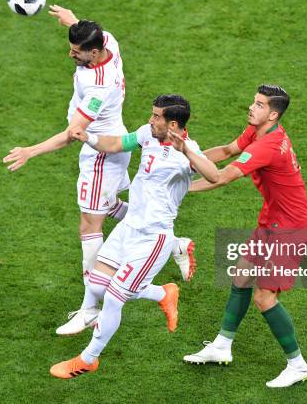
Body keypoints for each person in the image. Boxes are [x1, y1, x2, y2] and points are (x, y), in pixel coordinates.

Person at [2, 6, 196, 336]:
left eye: (76, 52)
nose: (70, 54)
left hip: (100, 155)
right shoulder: (109, 43)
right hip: (114, 139)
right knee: (108, 208)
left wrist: (30, 151)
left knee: (89, 226)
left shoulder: (98, 87)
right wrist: (72, 19)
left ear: (93, 53)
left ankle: (89, 309)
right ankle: (176, 244)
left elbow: (71, 135)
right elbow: (93, 34)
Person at [49, 94, 219, 379]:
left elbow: (214, 175)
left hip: (153, 239)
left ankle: (88, 359)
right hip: (128, 228)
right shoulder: (147, 134)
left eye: (156, 116)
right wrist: (88, 137)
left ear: (173, 123)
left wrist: (188, 152)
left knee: (115, 297)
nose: (150, 120)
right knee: (97, 284)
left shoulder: (187, 152)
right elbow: (116, 143)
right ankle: (163, 293)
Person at [182, 84, 307, 388]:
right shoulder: (260, 132)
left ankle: (298, 365)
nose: (251, 107)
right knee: (241, 277)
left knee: (264, 297)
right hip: (272, 221)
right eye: (254, 102)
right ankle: (222, 346)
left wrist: (178, 189)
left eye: (259, 104)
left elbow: (221, 176)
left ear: (273, 114)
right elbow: (228, 151)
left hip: (290, 229)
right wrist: (190, 159)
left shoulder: (267, 146)